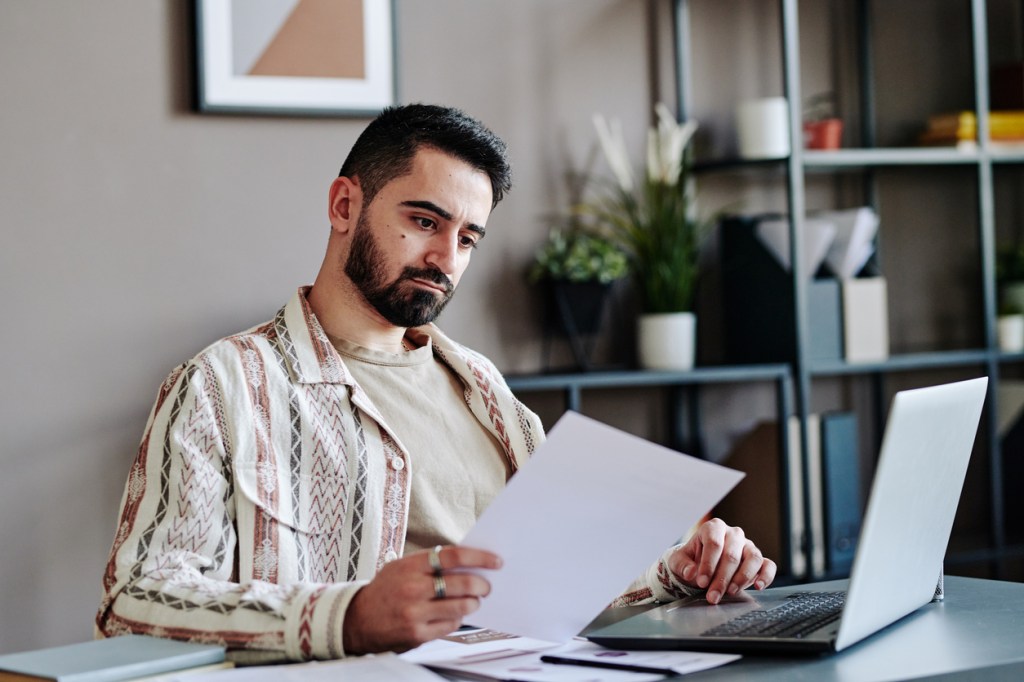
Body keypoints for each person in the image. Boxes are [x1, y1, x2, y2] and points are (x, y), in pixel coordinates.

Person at [96, 103, 776, 663]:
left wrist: (676, 571)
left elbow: (554, 584)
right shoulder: (223, 385)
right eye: (424, 221)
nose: (445, 259)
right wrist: (350, 615)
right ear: (343, 205)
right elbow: (134, 598)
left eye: (468, 238)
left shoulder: (485, 392)